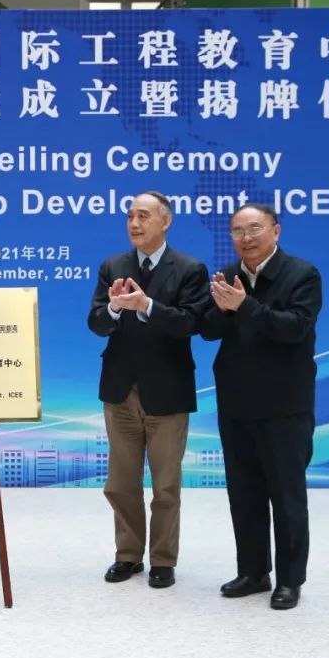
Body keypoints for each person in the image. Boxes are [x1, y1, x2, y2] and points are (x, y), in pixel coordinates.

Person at [199, 203, 322, 610]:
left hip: (284, 406)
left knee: (286, 497)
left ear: (276, 231)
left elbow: (294, 328)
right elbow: (208, 331)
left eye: (254, 229)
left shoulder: (302, 274)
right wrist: (221, 308)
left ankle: (289, 580)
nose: (246, 238)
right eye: (237, 231)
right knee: (244, 493)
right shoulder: (228, 275)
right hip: (236, 403)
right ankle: (253, 572)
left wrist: (245, 306)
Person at [87, 191, 210, 588]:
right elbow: (96, 323)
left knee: (166, 485)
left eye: (143, 216)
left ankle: (162, 559)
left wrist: (147, 306)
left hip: (167, 391)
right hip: (120, 390)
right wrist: (114, 308)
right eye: (130, 217)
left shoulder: (189, 269)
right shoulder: (113, 266)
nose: (135, 224)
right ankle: (127, 555)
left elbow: (190, 323)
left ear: (165, 221)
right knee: (120, 484)